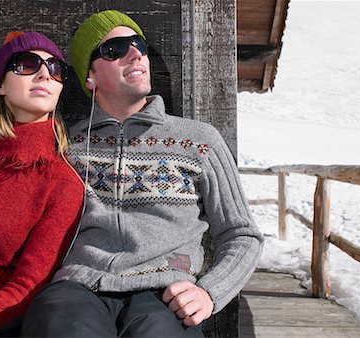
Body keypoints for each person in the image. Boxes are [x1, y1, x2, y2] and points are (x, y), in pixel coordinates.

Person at [22, 10, 264, 338]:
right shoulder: (66, 145)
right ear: (89, 77)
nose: (135, 53)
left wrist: (209, 292)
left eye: (138, 44)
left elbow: (241, 234)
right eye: (115, 49)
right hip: (78, 290)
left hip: (164, 292)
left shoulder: (199, 141)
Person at [0, 31, 84, 337]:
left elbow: (24, 291)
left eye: (55, 69)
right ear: (0, 84)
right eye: (27, 64)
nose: (44, 74)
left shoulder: (62, 184)